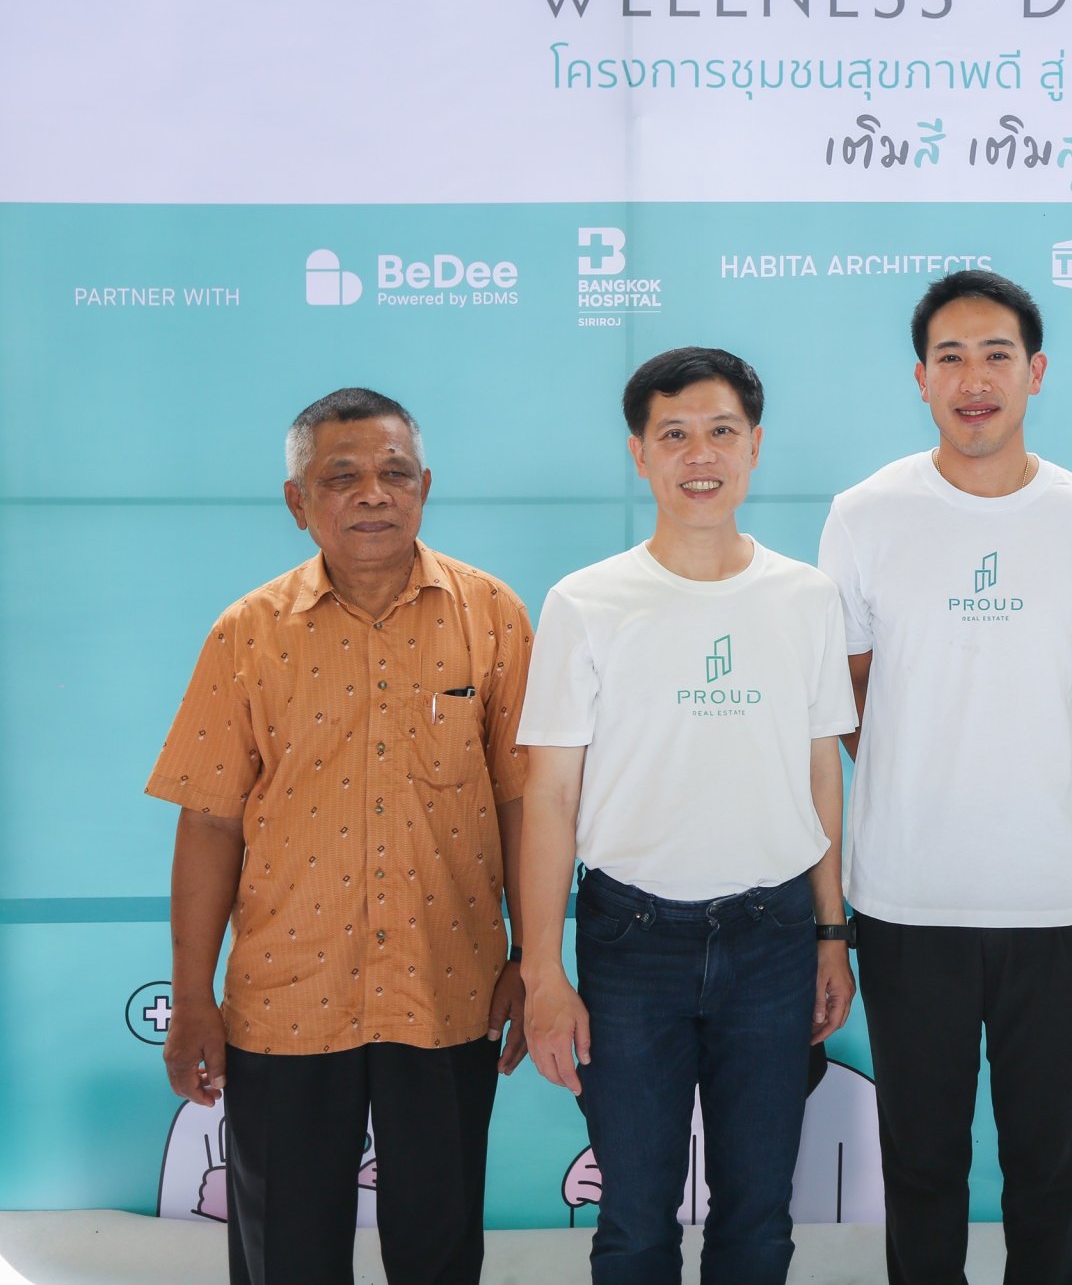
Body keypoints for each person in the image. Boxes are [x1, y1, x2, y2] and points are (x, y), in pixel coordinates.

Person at [147, 387, 532, 1285]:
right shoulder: (246, 634)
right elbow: (209, 820)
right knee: (286, 1252)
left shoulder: (493, 615)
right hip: (287, 998)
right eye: (341, 476)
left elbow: (524, 803)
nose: (373, 494)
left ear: (425, 487)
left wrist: (534, 958)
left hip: (447, 985)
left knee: (439, 1248)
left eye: (395, 473)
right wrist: (192, 995)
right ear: (297, 501)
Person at [816, 270, 1072, 1283]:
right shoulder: (866, 514)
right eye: (950, 357)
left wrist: (1032, 767)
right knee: (922, 1163)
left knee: (1050, 1164)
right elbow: (848, 691)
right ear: (920, 378)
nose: (974, 379)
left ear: (1035, 372)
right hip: (907, 899)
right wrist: (922, 765)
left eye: (997, 355)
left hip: (1055, 900)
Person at [517, 347, 858, 1285]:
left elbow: (821, 772)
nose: (699, 455)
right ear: (639, 453)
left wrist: (832, 934)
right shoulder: (586, 602)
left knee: (759, 1217)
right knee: (633, 1218)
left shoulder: (806, 597)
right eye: (673, 435)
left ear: (755, 447)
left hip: (773, 937)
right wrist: (543, 971)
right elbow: (549, 796)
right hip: (630, 940)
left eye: (720, 432)